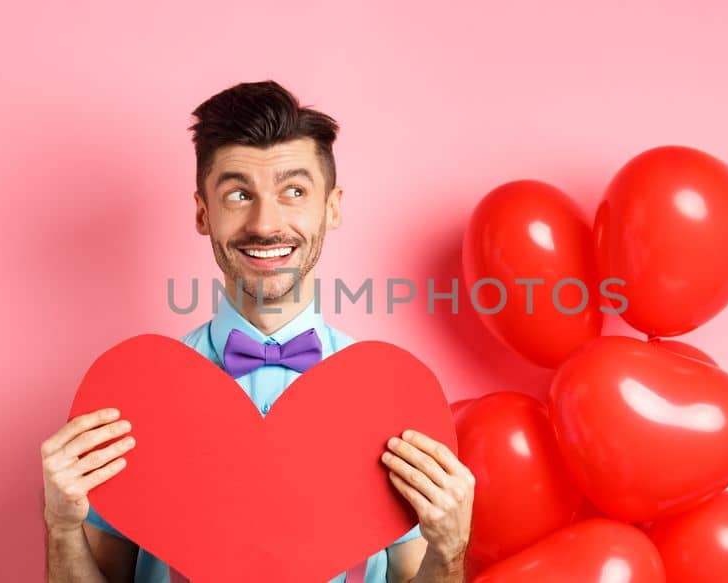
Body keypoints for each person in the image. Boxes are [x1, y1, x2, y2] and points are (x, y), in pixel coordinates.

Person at [40, 80, 475, 583]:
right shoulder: (134, 395)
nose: (266, 223)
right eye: (238, 194)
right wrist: (60, 527)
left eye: (294, 191)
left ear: (331, 208)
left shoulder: (390, 395)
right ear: (204, 213)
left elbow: (411, 575)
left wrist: (450, 550)